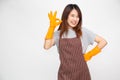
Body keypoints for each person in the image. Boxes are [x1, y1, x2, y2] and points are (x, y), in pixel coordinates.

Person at [44, 4, 107, 80]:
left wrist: (89, 54)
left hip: (82, 74)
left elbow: (103, 41)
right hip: (64, 75)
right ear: (66, 16)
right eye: (72, 16)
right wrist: (51, 28)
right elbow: (46, 46)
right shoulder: (58, 34)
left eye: (77, 16)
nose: (75, 19)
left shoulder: (82, 31)